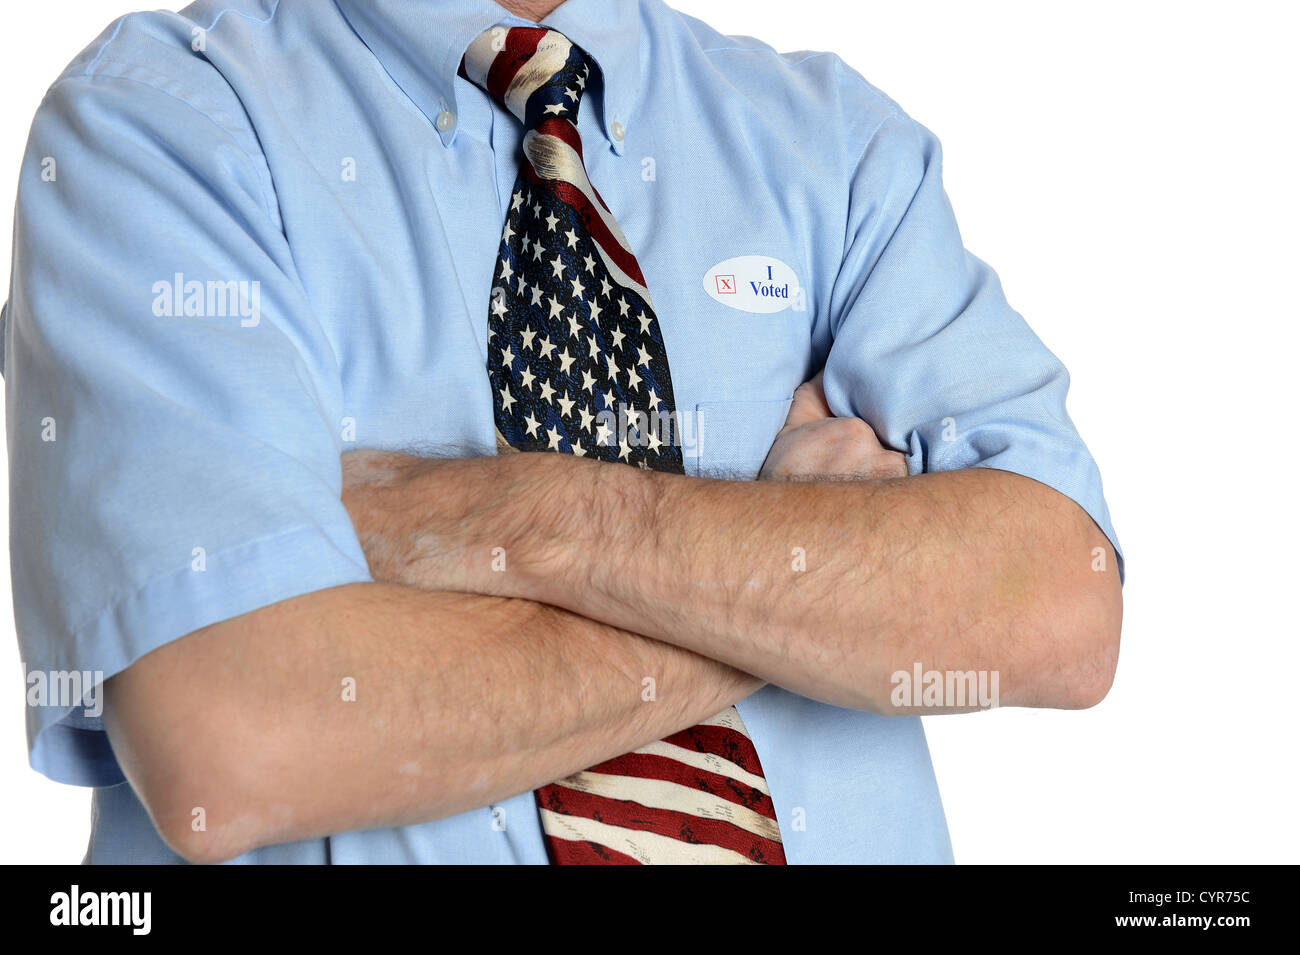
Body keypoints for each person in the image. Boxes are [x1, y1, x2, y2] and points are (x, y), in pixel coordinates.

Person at [1, 0, 1123, 864]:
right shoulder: (161, 124)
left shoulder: (834, 147)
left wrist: (528, 522)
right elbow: (236, 743)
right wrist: (811, 575)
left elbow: (1058, 614)